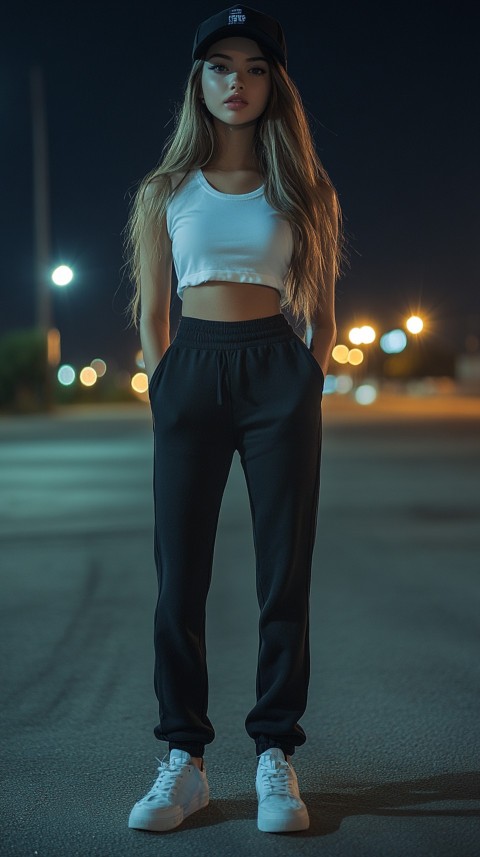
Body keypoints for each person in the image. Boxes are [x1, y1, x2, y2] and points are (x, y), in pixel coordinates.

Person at [123, 4, 344, 835]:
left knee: (283, 574)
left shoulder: (307, 189)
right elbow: (152, 314)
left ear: (274, 83)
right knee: (180, 575)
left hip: (276, 371)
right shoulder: (164, 190)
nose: (238, 82)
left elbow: (322, 310)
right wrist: (165, 381)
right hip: (192, 373)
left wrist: (306, 379)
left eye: (254, 68)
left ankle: (274, 754)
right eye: (221, 66)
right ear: (199, 81)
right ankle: (184, 759)